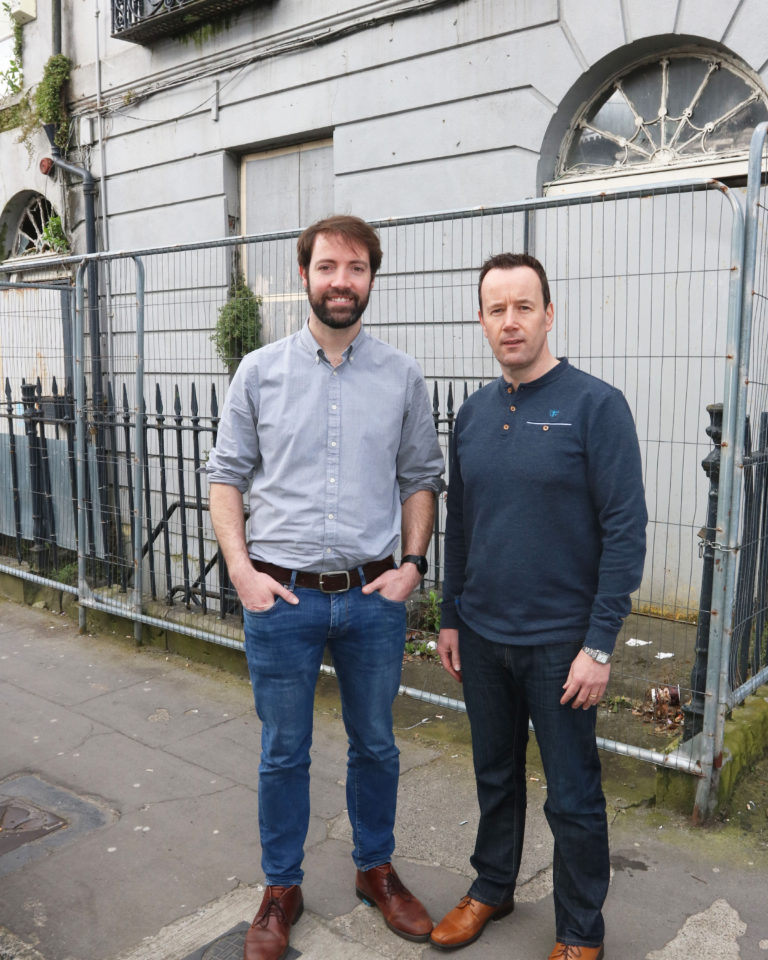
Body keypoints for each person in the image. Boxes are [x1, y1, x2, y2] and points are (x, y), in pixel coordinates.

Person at [206, 215, 444, 960]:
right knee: (283, 750)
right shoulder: (259, 372)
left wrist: (413, 565)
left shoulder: (402, 376)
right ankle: (282, 887)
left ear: (372, 279)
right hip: (281, 599)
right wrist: (241, 572)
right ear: (304, 274)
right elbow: (225, 476)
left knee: (376, 744)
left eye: (357, 268)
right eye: (329, 267)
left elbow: (420, 478)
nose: (343, 281)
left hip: (373, 598)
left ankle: (376, 869)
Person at [430, 253, 647, 960]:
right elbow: (460, 524)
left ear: (549, 314)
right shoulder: (473, 414)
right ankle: (492, 885)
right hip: (483, 636)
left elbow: (625, 530)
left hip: (562, 646)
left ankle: (580, 930)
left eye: (524, 306)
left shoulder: (596, 406)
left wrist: (599, 645)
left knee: (573, 795)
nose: (511, 321)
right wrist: (450, 615)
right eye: (497, 309)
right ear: (482, 321)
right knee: (494, 776)